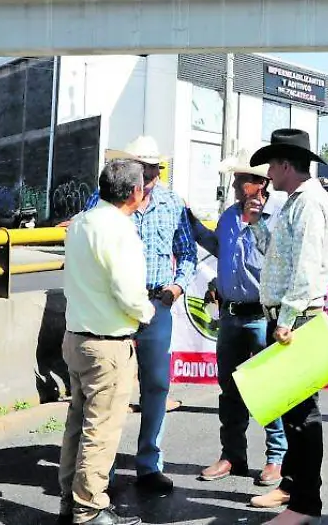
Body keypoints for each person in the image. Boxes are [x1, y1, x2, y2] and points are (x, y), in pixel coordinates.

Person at [85, 136, 197, 494]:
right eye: (143, 167)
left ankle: (149, 464)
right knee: (111, 390)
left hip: (157, 305)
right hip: (114, 307)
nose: (149, 174)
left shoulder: (172, 203)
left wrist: (178, 286)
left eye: (154, 168)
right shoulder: (102, 202)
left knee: (157, 385)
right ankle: (106, 469)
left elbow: (188, 252)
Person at [248, 128, 328, 523]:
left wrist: (286, 320)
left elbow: (305, 266)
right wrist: (256, 224)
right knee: (289, 411)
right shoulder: (295, 202)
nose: (268, 172)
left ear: (286, 164)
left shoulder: (309, 203)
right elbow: (280, 256)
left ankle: (306, 504)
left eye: (271, 164)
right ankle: (291, 485)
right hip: (288, 318)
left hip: (296, 320)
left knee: (302, 417)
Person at [58, 159, 154, 525]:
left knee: (77, 424)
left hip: (78, 336)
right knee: (101, 428)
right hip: (107, 342)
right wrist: (146, 312)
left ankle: (71, 501)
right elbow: (128, 292)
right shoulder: (119, 230)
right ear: (135, 192)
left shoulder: (81, 222)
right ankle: (90, 508)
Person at [190, 153, 287, 488]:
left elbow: (276, 257)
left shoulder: (277, 217)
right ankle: (232, 454)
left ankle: (276, 459)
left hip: (261, 319)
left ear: (259, 184)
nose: (233, 185)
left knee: (267, 390)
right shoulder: (229, 216)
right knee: (229, 391)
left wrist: (257, 221)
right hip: (230, 318)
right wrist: (192, 225)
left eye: (240, 179)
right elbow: (220, 248)